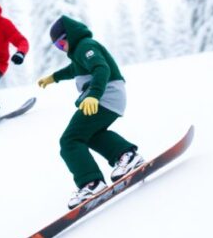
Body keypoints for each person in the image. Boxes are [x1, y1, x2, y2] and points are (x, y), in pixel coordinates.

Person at [37, 15, 144, 209]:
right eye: (58, 47)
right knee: (91, 135)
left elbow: (100, 67)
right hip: (110, 97)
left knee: (70, 140)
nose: (62, 49)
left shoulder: (85, 46)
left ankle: (91, 183)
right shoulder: (80, 51)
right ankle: (127, 156)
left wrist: (94, 95)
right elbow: (73, 70)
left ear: (69, 35)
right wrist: (53, 77)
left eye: (62, 44)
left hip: (104, 97)